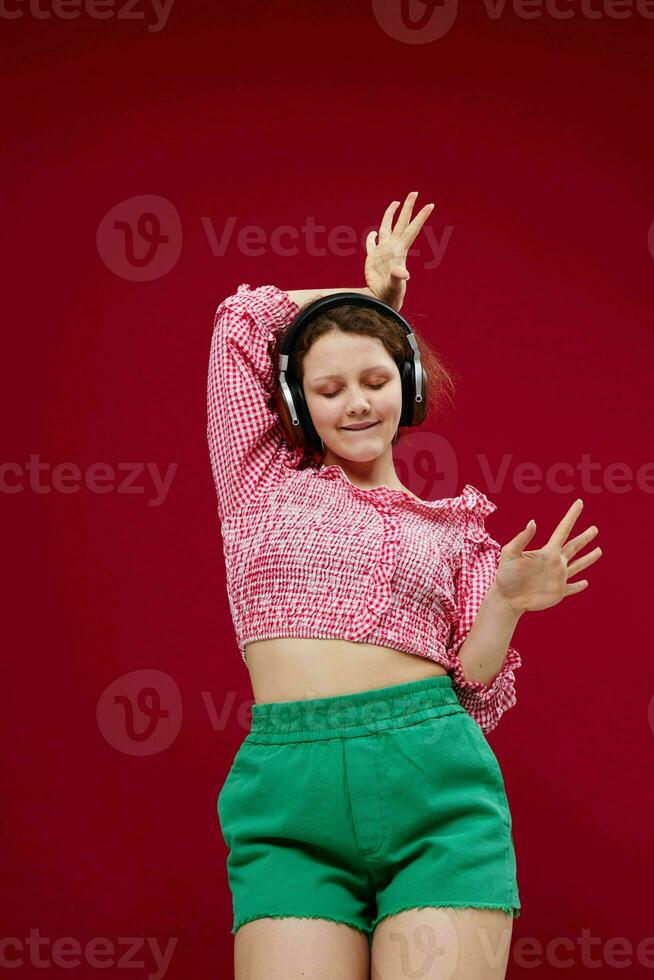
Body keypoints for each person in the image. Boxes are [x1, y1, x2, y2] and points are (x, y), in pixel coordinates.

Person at [206, 191, 602, 980]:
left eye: (374, 378)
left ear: (406, 383)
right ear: (297, 403)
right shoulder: (260, 483)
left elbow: (474, 690)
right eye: (328, 389)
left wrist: (507, 604)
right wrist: (370, 299)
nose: (355, 403)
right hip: (288, 801)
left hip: (436, 789)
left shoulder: (456, 531)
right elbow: (237, 321)